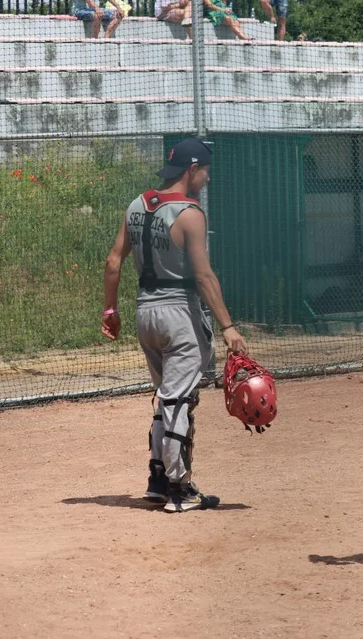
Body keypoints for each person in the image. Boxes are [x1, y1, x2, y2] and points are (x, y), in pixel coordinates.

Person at [101, 138, 248, 513]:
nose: (208, 179)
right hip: (179, 313)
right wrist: (228, 326)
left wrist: (109, 311)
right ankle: (180, 489)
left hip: (144, 313)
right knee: (179, 400)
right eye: (206, 172)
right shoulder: (190, 213)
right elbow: (204, 276)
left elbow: (113, 261)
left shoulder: (138, 204)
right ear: (191, 170)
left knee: (165, 397)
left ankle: (157, 479)